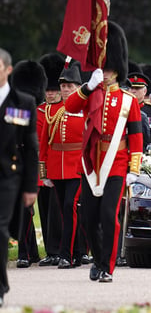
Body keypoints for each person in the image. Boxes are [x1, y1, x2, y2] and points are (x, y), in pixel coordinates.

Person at [64, 22, 144, 283]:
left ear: (118, 69)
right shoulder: (91, 94)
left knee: (109, 216)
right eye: (103, 69)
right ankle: (97, 260)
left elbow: (135, 137)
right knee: (89, 218)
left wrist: (134, 169)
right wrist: (87, 87)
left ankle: (108, 267)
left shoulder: (128, 100)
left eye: (109, 69)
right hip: (90, 163)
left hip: (117, 162)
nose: (106, 73)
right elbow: (69, 106)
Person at [38, 61, 89, 269]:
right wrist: (44, 172)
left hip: (77, 166)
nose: (66, 90)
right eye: (63, 86)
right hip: (57, 167)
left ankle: (66, 254)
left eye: (69, 86)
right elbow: (44, 142)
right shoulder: (52, 111)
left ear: (78, 87)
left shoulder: (86, 108)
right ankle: (75, 253)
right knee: (64, 210)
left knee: (70, 207)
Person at [0, 48, 39, 308]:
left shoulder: (22, 102)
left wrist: (30, 186)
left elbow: (31, 147)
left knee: (0, 230)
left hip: (8, 177)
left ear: (8, 70)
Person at [9, 60, 46, 269]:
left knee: (27, 210)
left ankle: (26, 252)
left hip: (31, 164)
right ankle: (27, 251)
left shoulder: (42, 111)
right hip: (15, 163)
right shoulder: (17, 109)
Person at [34, 53, 66, 267]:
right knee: (45, 210)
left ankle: (66, 249)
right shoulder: (37, 111)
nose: (51, 93)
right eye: (48, 89)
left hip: (62, 167)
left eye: (54, 90)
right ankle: (51, 250)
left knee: (61, 210)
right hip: (41, 167)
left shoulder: (68, 109)